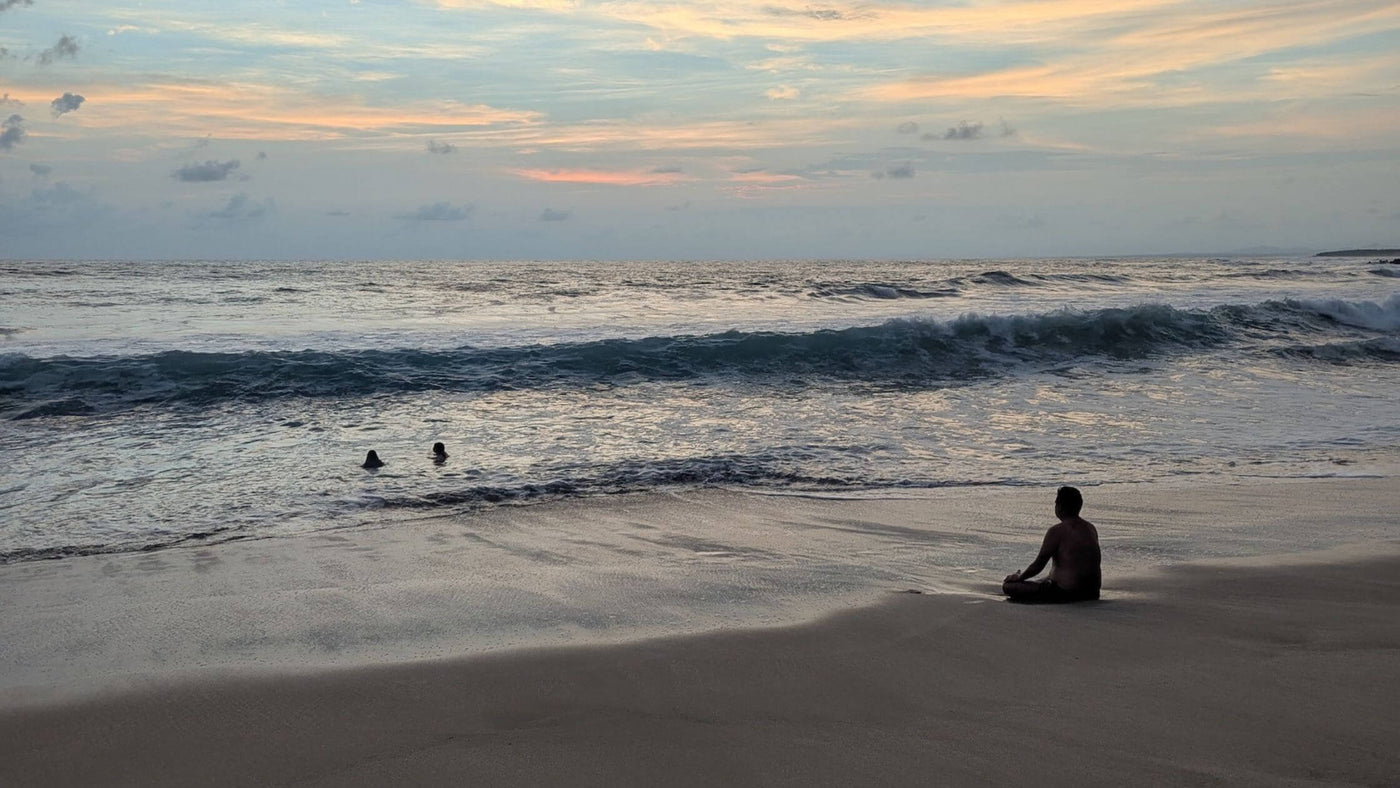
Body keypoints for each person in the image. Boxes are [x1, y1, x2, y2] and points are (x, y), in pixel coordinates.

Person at [1002, 486, 1101, 603]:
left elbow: (1038, 565)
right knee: (1043, 580)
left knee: (1008, 586)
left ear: (1060, 507)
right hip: (1092, 593)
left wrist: (1020, 578)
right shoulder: (1090, 528)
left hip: (1066, 593)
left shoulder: (1057, 531)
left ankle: (1018, 579)